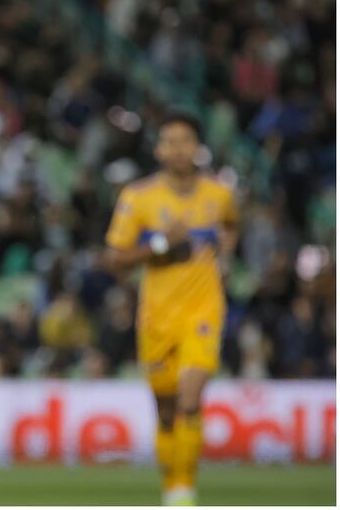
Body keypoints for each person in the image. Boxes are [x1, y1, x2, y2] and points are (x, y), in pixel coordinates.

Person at [104, 111, 239, 506]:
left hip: (204, 309)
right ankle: (172, 485)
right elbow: (114, 258)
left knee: (191, 399)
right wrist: (161, 245)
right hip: (157, 315)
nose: (179, 148)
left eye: (186, 141)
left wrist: (224, 255)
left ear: (197, 148)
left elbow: (232, 224)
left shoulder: (219, 194)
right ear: (159, 149)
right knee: (166, 411)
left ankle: (183, 492)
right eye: (171, 141)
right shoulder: (139, 197)